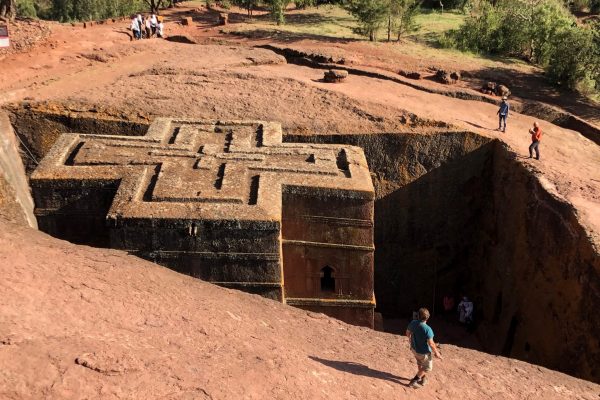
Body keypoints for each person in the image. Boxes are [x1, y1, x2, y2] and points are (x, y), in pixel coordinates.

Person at [406, 308, 442, 387]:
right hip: (423, 352)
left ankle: (423, 378)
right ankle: (414, 381)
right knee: (427, 367)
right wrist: (437, 353)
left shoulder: (413, 323)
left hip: (414, 349)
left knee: (420, 362)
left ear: (417, 316)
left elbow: (408, 333)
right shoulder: (428, 329)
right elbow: (431, 344)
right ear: (428, 317)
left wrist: (411, 341)